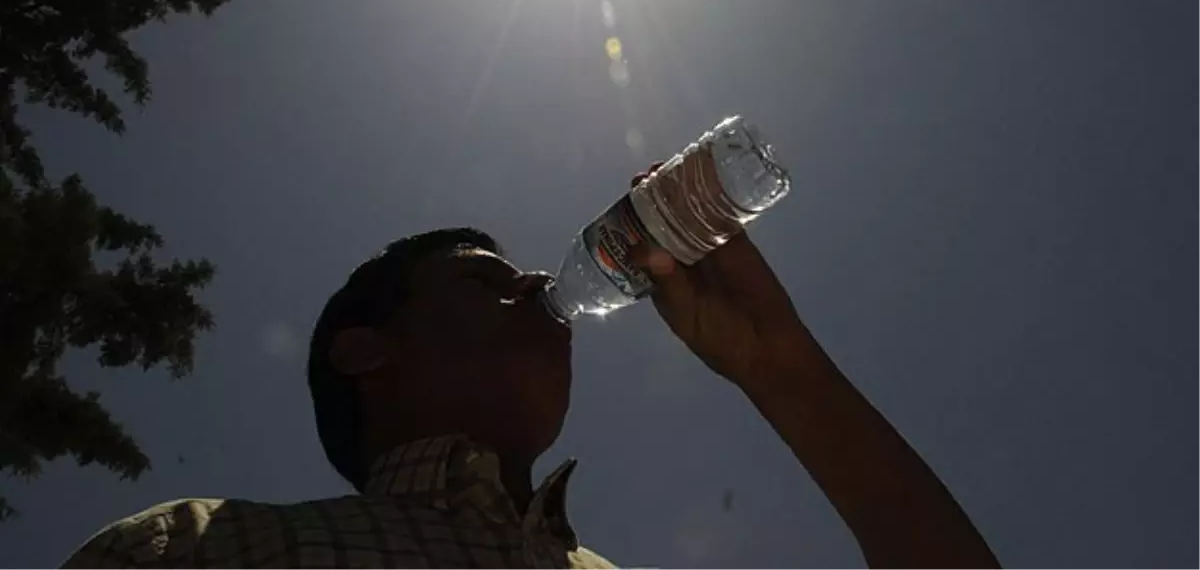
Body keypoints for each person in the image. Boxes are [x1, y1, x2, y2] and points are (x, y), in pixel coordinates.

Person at [60, 170, 1003, 570]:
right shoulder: (203, 548)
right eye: (485, 279)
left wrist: (781, 368)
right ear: (366, 348)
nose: (537, 283)